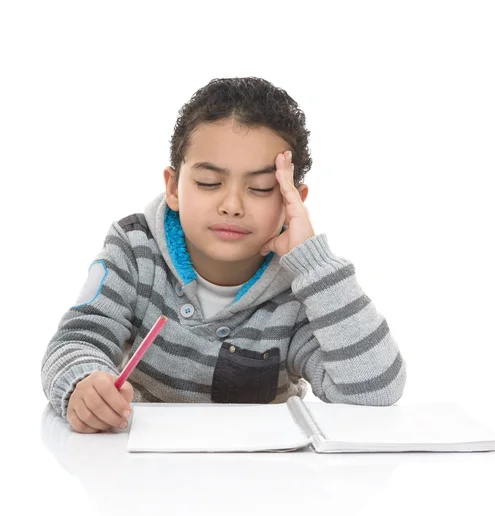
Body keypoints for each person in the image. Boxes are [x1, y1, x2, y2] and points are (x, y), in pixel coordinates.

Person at [41, 76, 407, 434]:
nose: (232, 205)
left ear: (293, 203)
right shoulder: (135, 250)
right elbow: (77, 341)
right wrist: (83, 385)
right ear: (173, 188)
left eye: (262, 188)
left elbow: (374, 393)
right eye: (209, 183)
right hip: (144, 480)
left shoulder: (303, 292)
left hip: (265, 484)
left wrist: (315, 263)